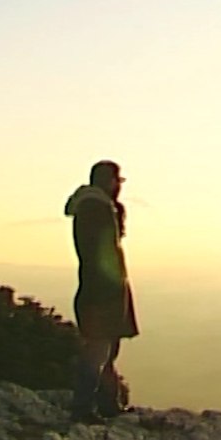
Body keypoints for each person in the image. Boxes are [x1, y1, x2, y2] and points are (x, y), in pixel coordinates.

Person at [64, 160, 139, 424]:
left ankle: (108, 404)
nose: (120, 186)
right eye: (117, 181)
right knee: (97, 351)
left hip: (100, 290)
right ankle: (83, 408)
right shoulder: (97, 208)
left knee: (107, 350)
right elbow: (103, 254)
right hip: (102, 293)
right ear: (109, 181)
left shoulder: (97, 206)